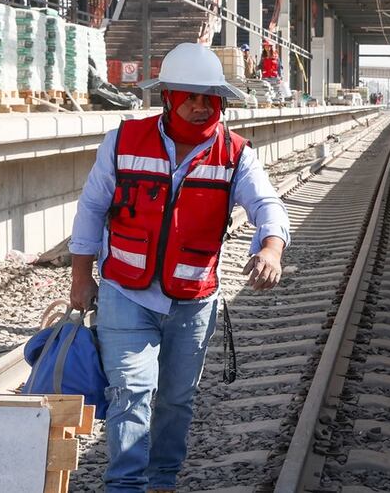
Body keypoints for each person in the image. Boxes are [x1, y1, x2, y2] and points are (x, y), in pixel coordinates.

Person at [68, 42, 290, 492]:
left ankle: (163, 480)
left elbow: (267, 204)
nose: (197, 105)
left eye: (207, 97)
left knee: (175, 400)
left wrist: (271, 249)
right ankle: (125, 485)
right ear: (168, 97)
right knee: (131, 394)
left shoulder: (236, 154)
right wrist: (80, 277)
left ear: (221, 102)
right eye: (187, 95)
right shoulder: (123, 141)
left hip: (193, 300)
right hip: (125, 293)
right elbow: (91, 209)